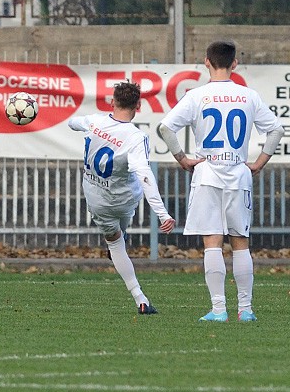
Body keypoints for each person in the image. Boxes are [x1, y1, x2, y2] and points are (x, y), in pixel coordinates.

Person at [158, 40, 284, 322]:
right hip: (238, 173)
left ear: (206, 62)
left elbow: (166, 128)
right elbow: (275, 131)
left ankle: (218, 309)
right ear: (234, 64)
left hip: (207, 173)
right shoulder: (248, 96)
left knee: (212, 242)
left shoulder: (197, 95)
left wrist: (182, 158)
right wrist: (260, 163)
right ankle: (246, 309)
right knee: (241, 242)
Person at [68, 81, 175, 314]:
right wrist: (162, 213)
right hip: (126, 200)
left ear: (112, 101)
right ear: (138, 105)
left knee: (115, 242)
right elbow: (145, 175)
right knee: (130, 193)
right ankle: (121, 237)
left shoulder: (95, 121)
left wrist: (81, 124)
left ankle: (140, 299)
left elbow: (72, 122)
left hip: (99, 201)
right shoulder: (136, 137)